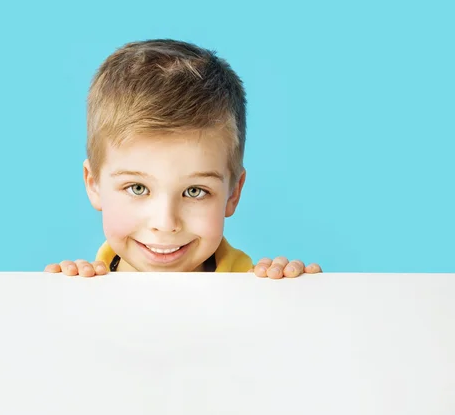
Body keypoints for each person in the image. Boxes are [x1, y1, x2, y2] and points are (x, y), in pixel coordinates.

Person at [45, 39, 322, 279]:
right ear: (94, 184)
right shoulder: (81, 290)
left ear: (233, 193)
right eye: (137, 188)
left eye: (194, 191)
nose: (166, 223)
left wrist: (298, 301)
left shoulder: (255, 288)